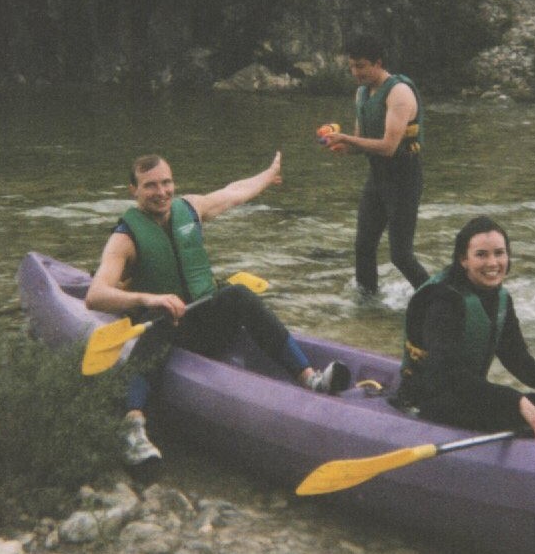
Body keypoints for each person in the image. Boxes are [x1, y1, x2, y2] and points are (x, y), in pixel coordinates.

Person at [85, 151, 350, 466]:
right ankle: (132, 425)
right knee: (161, 318)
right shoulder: (124, 239)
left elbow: (234, 192)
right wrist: (148, 299)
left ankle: (309, 377)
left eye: (166, 183)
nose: (161, 192)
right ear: (134, 190)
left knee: (238, 294)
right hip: (168, 332)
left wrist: (267, 176)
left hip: (205, 320)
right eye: (150, 185)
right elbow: (96, 295)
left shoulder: (190, 208)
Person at [395, 216, 535, 439]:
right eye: (481, 255)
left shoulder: (500, 298)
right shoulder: (443, 300)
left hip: (469, 395)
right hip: (429, 401)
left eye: (499, 253)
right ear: (463, 259)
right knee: (519, 414)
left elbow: (519, 360)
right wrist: (516, 401)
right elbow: (448, 373)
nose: (493, 263)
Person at [320, 34, 429, 294]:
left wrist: (346, 138)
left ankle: (439, 299)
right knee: (363, 246)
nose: (355, 72)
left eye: (361, 66)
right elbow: (362, 142)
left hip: (404, 178)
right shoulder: (362, 92)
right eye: (351, 66)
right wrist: (342, 146)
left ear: (378, 63)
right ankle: (367, 304)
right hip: (377, 178)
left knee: (401, 256)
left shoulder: (399, 93)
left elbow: (389, 147)